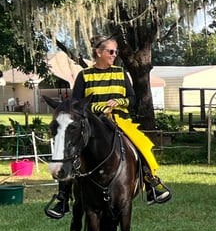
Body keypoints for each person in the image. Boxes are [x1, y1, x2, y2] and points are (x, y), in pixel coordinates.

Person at [44, 35, 172, 219]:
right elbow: (77, 104)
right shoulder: (84, 75)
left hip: (120, 120)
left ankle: (151, 182)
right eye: (111, 51)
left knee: (142, 143)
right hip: (92, 123)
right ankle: (63, 197)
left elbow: (132, 99)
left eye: (116, 52)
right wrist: (98, 108)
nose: (114, 55)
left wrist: (118, 101)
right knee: (72, 152)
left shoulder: (121, 73)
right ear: (99, 52)